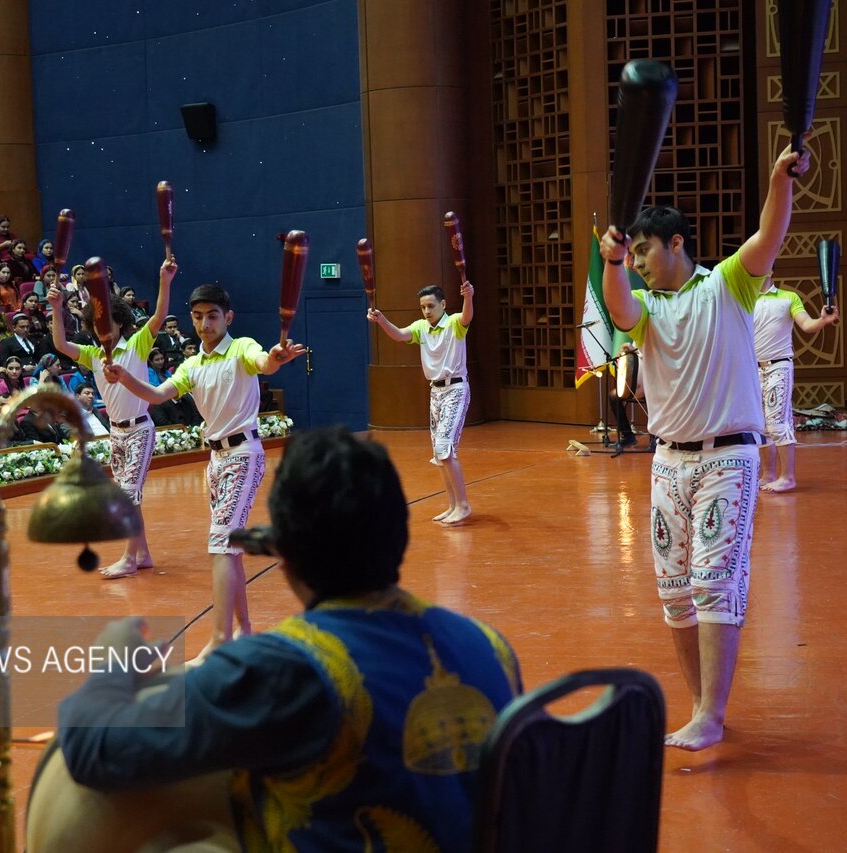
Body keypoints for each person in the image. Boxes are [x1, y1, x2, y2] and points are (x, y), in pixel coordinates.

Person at [56, 426, 521, 853]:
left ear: (284, 553)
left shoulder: (284, 670)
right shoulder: (491, 646)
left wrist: (114, 664)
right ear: (398, 532)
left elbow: (96, 750)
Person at [598, 141, 811, 751]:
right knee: (674, 589)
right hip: (668, 461)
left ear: (676, 244)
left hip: (729, 458)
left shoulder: (728, 286)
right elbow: (617, 305)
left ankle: (711, 715)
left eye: (642, 250)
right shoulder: (644, 309)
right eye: (631, 251)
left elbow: (770, 234)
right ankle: (700, 705)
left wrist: (780, 179)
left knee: (715, 577)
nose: (636, 261)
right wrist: (610, 262)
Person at [102, 280, 305, 662]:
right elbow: (159, 395)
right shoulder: (192, 365)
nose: (204, 323)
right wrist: (124, 378)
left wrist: (276, 357)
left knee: (219, 545)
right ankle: (244, 630)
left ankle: (219, 639)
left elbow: (265, 362)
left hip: (243, 455)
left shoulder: (242, 348)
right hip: (214, 461)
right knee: (229, 549)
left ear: (227, 317)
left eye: (212, 316)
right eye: (197, 317)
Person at [47, 258, 176, 580]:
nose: (102, 327)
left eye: (108, 321)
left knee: (126, 496)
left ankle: (129, 559)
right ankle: (143, 554)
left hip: (139, 431)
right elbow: (60, 344)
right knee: (130, 497)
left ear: (119, 321)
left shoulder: (136, 345)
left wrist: (164, 280)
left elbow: (159, 317)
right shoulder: (92, 355)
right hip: (114, 435)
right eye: (96, 323)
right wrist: (56, 306)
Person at [367, 280, 476, 525]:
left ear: (443, 304)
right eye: (423, 307)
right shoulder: (420, 327)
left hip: (456, 389)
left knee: (445, 449)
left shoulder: (454, 323)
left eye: (431, 306)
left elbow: (467, 315)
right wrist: (382, 320)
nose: (426, 311)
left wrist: (468, 296)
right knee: (440, 455)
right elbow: (399, 335)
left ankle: (464, 505)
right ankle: (453, 506)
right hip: (435, 392)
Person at [753, 274, 841, 493]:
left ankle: (788, 477)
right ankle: (768, 474)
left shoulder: (788, 297)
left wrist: (822, 321)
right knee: (760, 426)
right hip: (752, 368)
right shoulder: (745, 299)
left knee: (776, 423)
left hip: (779, 366)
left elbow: (806, 324)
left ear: (771, 270)